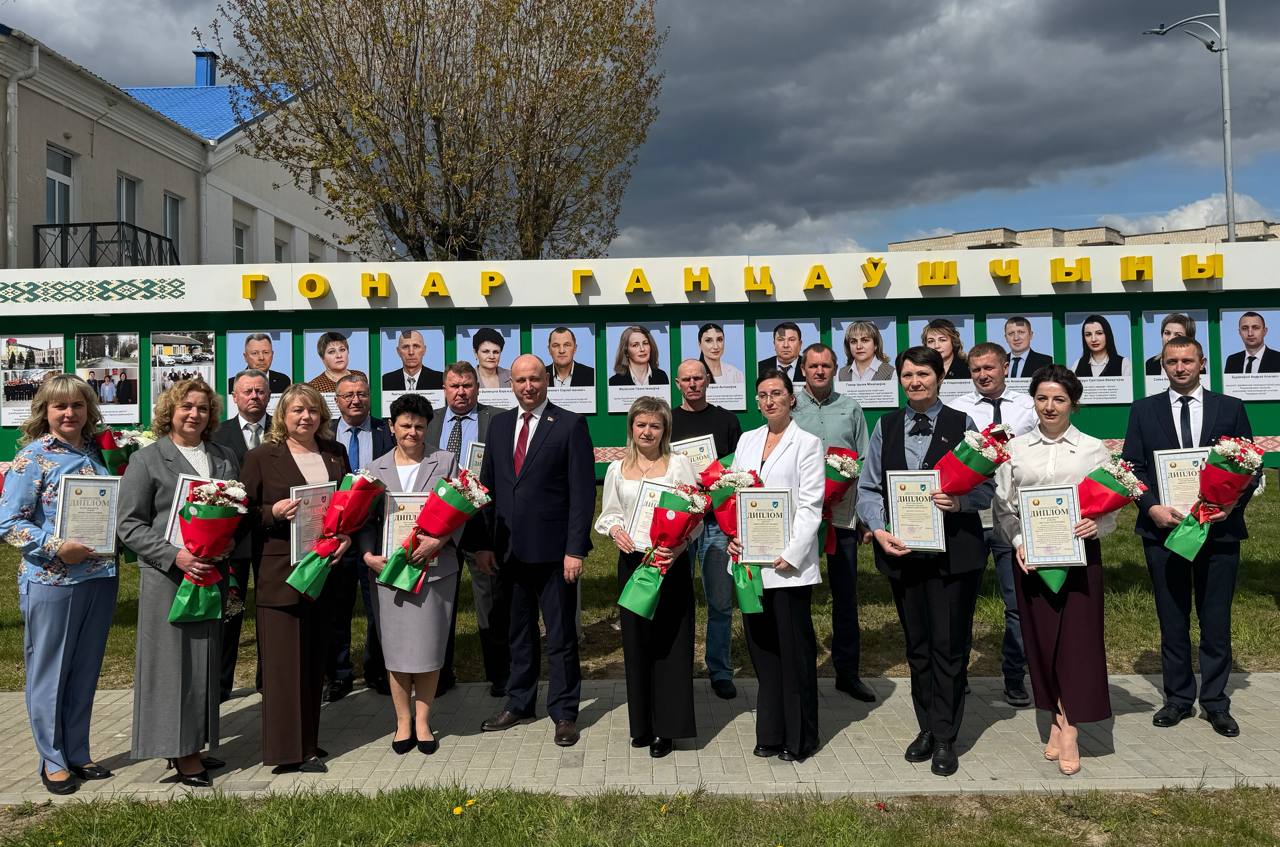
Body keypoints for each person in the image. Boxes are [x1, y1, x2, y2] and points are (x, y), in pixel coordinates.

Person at [855, 346, 993, 777]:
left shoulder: (962, 424)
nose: (915, 382)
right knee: (917, 647)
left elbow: (986, 488)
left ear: (940, 377)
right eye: (908, 375)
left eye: (924, 374)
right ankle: (927, 727)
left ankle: (947, 735)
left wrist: (960, 502)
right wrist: (878, 528)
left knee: (948, 647)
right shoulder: (886, 426)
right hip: (904, 554)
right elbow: (869, 489)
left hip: (954, 556)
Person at [1122, 335, 1255, 738]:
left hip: (1219, 530)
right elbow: (1132, 468)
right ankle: (1178, 699)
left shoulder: (1230, 408)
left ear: (1202, 363)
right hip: (1164, 530)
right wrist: (1151, 507)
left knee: (1215, 620)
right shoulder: (1143, 410)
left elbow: (1249, 466)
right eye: (1172, 362)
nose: (1180, 368)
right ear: (1163, 365)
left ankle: (1215, 702)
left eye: (1187, 361)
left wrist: (1231, 504)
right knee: (1172, 618)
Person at [117, 378, 239, 788]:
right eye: (187, 406)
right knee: (173, 666)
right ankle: (180, 751)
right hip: (169, 578)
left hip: (210, 573)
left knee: (204, 661)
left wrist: (225, 542)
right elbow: (129, 525)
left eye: (203, 408)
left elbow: (232, 511)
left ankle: (195, 742)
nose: (194, 414)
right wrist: (177, 556)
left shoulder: (222, 457)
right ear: (170, 410)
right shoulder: (148, 459)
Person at [994, 365, 1115, 776]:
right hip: (1031, 559)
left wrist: (1098, 525)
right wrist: (1018, 541)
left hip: (1079, 560)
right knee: (1042, 643)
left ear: (1073, 405)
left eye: (1059, 399)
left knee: (1077, 645)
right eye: (1042, 398)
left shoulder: (1093, 449)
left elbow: (1109, 509)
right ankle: (1055, 718)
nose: (1049, 406)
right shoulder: (1015, 449)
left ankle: (1070, 729)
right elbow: (1003, 507)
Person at [0, 374, 117, 796]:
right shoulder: (32, 457)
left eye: (78, 405)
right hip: (53, 579)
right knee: (50, 671)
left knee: (85, 669)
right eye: (60, 406)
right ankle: (52, 759)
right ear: (45, 411)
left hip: (99, 577)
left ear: (89, 410)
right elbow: (8, 522)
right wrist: (55, 547)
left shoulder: (98, 452)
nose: (70, 413)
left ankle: (78, 751)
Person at [473, 355, 595, 747]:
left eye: (535, 379)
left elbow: (582, 494)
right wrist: (485, 544)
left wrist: (575, 549)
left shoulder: (570, 424)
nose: (528, 386)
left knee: (560, 636)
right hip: (509, 552)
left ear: (547, 381)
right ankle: (520, 702)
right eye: (521, 380)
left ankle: (564, 711)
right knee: (518, 633)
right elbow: (488, 487)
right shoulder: (499, 426)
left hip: (555, 553)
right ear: (511, 384)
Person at [240, 383, 353, 773]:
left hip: (323, 570)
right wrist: (273, 512)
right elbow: (242, 512)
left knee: (314, 660)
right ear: (282, 416)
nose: (306, 417)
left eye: (313, 410)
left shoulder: (335, 453)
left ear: (322, 415)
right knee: (284, 665)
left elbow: (346, 507)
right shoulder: (260, 457)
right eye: (297, 411)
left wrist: (346, 537)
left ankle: (308, 742)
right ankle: (287, 752)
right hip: (280, 574)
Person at [725, 369, 824, 761]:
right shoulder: (747, 440)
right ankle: (769, 731)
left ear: (791, 398)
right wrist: (733, 535)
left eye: (777, 393)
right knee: (763, 651)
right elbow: (733, 495)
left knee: (794, 652)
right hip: (750, 563)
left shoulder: (808, 443)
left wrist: (793, 552)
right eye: (763, 395)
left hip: (787, 566)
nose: (769, 401)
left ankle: (800, 738)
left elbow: (811, 505)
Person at [595, 397, 699, 758]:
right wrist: (615, 530)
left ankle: (667, 729)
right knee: (637, 644)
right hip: (633, 564)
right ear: (631, 427)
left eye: (655, 425)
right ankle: (642, 724)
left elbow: (695, 515)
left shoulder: (679, 465)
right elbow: (609, 513)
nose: (647, 432)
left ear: (665, 429)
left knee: (670, 644)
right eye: (641, 425)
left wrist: (680, 547)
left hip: (669, 563)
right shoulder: (616, 469)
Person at [360, 394, 460, 756]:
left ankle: (423, 720)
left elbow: (462, 510)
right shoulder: (374, 468)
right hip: (390, 572)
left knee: (429, 648)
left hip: (435, 571)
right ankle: (402, 720)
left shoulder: (445, 461)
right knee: (398, 651)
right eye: (405, 425)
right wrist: (368, 555)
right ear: (392, 427)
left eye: (419, 426)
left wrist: (440, 541)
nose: (412, 432)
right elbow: (365, 519)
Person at [947, 342, 1038, 707]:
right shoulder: (958, 409)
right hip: (971, 514)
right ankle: (958, 676)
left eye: (989, 368)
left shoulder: (1028, 407)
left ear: (1005, 367)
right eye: (976, 370)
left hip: (1013, 515)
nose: (983, 375)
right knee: (960, 602)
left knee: (1016, 603)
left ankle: (1014, 676)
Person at [791, 343, 874, 702]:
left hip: (842, 517)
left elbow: (865, 461)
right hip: (803, 519)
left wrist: (865, 517)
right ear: (803, 369)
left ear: (835, 368)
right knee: (799, 596)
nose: (820, 371)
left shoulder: (850, 408)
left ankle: (847, 673)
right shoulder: (791, 408)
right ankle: (801, 669)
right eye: (813, 366)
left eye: (826, 365)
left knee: (845, 596)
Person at [425, 362, 504, 697]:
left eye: (467, 385)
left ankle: (500, 676)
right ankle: (439, 676)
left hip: (481, 525)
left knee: (490, 604)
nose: (461, 392)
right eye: (454, 386)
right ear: (444, 389)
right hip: (439, 526)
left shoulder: (497, 420)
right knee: (439, 604)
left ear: (477, 388)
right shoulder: (429, 422)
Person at [671, 359, 742, 700]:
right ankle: (677, 668)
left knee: (720, 601)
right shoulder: (667, 421)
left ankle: (720, 670)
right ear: (677, 384)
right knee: (678, 600)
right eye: (686, 379)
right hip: (681, 524)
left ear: (707, 380)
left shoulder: (726, 421)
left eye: (698, 378)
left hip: (716, 522)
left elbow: (738, 470)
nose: (693, 384)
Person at [325, 374, 394, 701]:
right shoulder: (323, 434)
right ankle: (339, 675)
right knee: (337, 609)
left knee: (378, 607)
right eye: (348, 395)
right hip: (336, 535)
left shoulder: (386, 431)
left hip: (377, 531)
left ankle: (377, 670)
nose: (356, 400)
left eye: (362, 394)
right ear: (336, 400)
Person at [213, 369, 271, 701]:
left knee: (269, 609)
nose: (254, 397)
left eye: (260, 391)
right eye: (247, 391)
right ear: (234, 397)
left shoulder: (282, 430)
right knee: (230, 612)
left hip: (272, 534)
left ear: (269, 395)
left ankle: (269, 681)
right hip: (232, 538)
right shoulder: (218, 434)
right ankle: (221, 685)